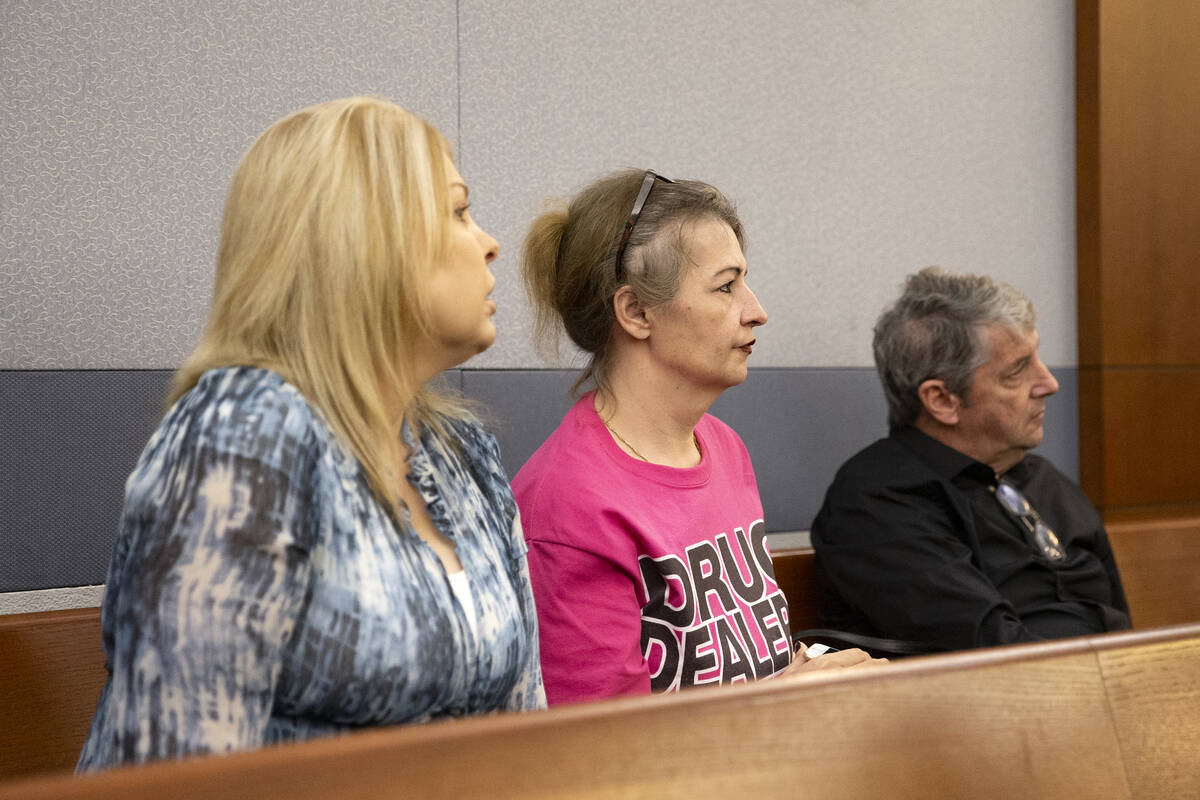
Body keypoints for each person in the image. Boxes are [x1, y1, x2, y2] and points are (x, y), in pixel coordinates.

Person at [77, 97, 545, 771]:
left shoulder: (461, 455)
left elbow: (527, 737)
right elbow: (179, 777)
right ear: (365, 239)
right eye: (458, 211)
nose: (489, 241)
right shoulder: (245, 433)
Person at [514, 169, 878, 705]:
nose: (756, 310)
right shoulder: (566, 505)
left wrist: (812, 677)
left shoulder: (723, 445)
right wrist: (781, 706)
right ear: (637, 312)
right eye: (726, 286)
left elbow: (747, 672)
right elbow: (601, 755)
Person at [811, 267, 1131, 653]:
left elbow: (1120, 622)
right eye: (1017, 370)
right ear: (943, 401)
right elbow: (992, 655)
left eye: (1037, 357)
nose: (1049, 383)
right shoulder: (879, 503)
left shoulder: (1044, 479)